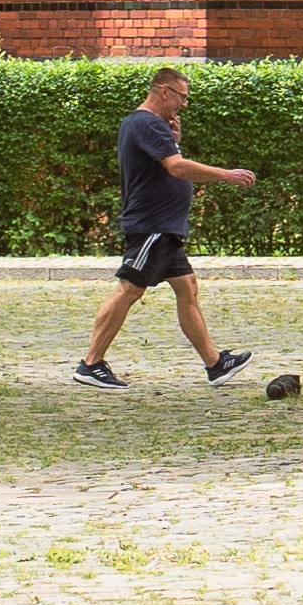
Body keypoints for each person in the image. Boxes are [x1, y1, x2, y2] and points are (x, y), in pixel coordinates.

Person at [74, 66, 258, 390]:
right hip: (152, 226)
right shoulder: (145, 122)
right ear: (163, 91)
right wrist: (226, 175)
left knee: (187, 287)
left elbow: (162, 163)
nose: (184, 104)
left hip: (164, 227)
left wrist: (174, 141)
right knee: (129, 289)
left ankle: (215, 364)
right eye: (181, 97)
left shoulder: (150, 125)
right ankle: (90, 364)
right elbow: (176, 168)